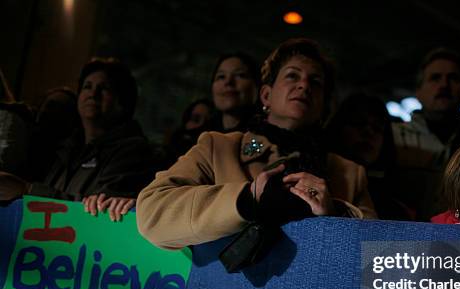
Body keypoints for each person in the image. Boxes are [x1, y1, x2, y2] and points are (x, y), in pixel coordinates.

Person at [137, 38, 377, 251]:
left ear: (324, 106)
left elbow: (377, 266)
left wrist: (334, 214)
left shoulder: (349, 174)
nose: (304, 85)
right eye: (292, 75)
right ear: (265, 96)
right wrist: (246, 199)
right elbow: (151, 214)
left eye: (315, 82)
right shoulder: (218, 148)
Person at [0, 58, 156, 221]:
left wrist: (28, 190)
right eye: (87, 86)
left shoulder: (134, 152)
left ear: (124, 101)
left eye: (104, 88)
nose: (93, 94)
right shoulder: (65, 149)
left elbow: (104, 215)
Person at [393, 48, 460, 220]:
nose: (444, 85)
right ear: (418, 92)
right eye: (435, 78)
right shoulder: (393, 137)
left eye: (453, 78)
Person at [325, 93, 413, 220]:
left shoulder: (397, 207)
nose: (368, 132)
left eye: (377, 128)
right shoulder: (320, 181)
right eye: (358, 123)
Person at [208, 52, 259, 133]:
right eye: (221, 76)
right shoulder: (199, 138)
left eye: (240, 75)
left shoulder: (265, 136)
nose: (228, 82)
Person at [164, 98, 214, 165]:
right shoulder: (178, 134)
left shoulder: (207, 139)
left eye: (206, 120)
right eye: (196, 118)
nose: (201, 123)